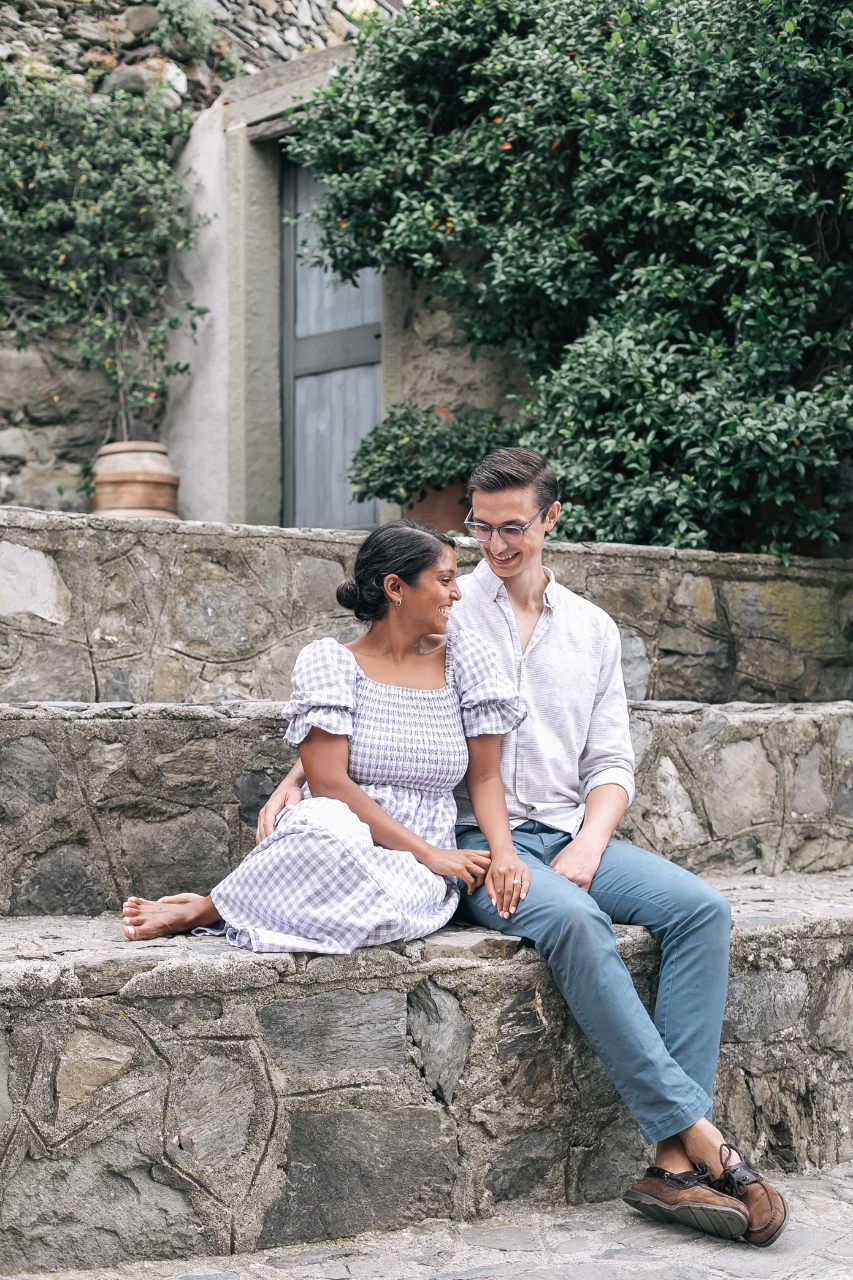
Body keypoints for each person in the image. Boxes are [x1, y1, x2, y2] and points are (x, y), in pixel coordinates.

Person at [262, 450, 787, 1249]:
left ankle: (667, 1161)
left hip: (568, 829)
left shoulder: (593, 630)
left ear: (550, 520)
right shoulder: (443, 600)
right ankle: (702, 1139)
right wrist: (299, 772)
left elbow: (611, 763)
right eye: (480, 527)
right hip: (472, 839)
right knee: (573, 923)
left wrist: (588, 842)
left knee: (701, 910)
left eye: (512, 528)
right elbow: (374, 685)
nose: (494, 546)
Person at [121, 520, 527, 954]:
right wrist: (429, 852)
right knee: (322, 827)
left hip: (413, 864)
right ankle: (211, 908)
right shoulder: (330, 663)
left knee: (381, 905)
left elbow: (485, 778)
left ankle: (219, 906)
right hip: (342, 832)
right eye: (445, 580)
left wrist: (501, 852)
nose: (457, 593)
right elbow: (330, 784)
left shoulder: (466, 659)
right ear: (395, 587)